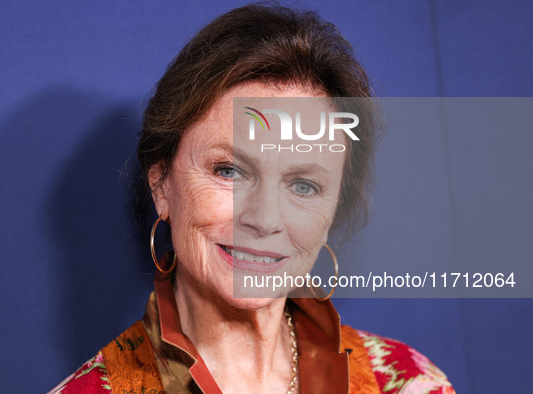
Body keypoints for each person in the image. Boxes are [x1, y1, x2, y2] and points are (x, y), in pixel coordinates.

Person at [50, 4, 455, 393]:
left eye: (304, 186)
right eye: (229, 171)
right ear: (162, 185)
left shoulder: (408, 383)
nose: (264, 219)